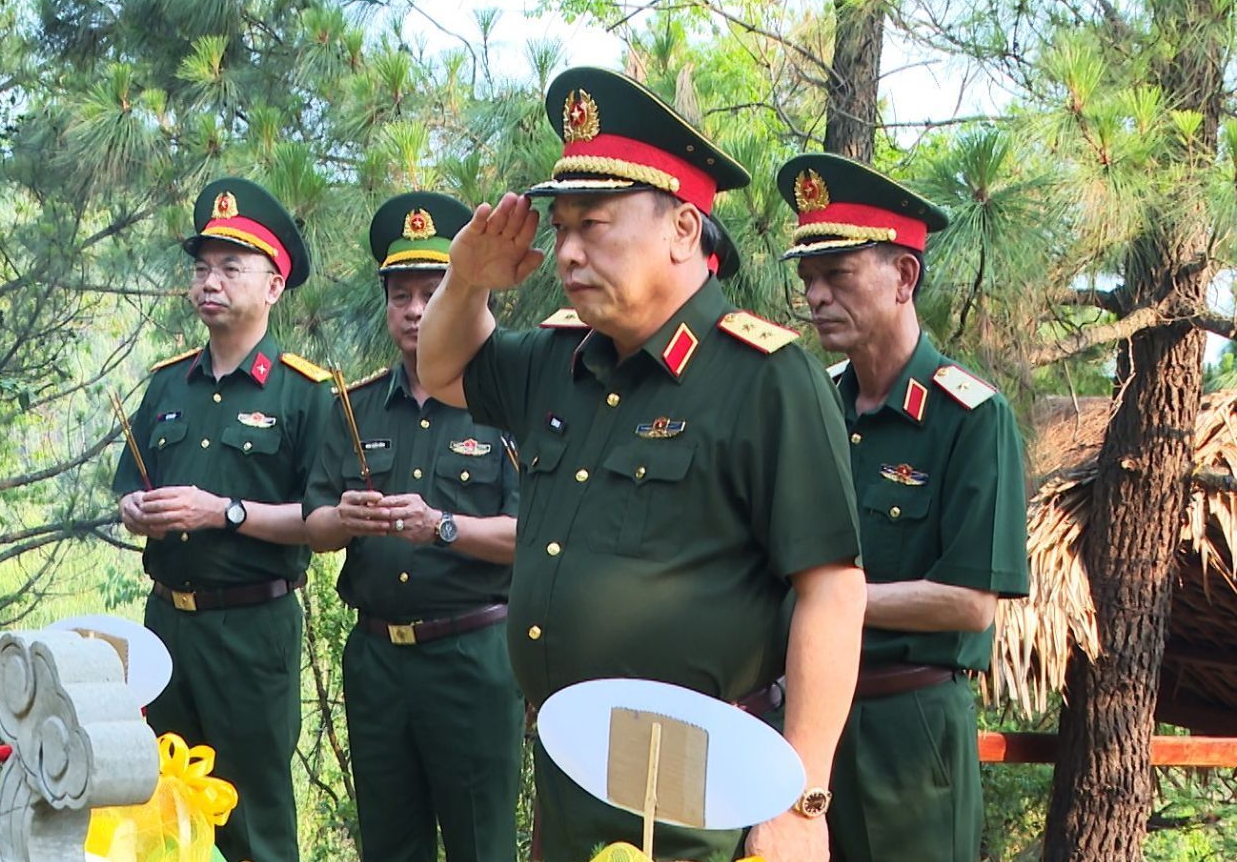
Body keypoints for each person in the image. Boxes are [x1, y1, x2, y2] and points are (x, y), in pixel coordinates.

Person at [416, 66, 868, 862]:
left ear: (683, 229)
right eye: (560, 227)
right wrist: (465, 282)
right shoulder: (559, 358)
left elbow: (831, 590)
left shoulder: (765, 377)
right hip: (568, 764)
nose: (568, 251)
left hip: (697, 774)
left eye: (594, 224)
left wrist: (803, 799)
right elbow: (443, 368)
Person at [776, 152, 1029, 862]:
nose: (817, 296)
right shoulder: (813, 406)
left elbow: (970, 603)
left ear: (904, 277)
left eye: (838, 275)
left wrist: (831, 605)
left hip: (908, 730)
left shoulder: (971, 417)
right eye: (808, 279)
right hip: (799, 722)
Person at [114, 176, 332, 862]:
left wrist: (225, 512)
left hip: (251, 630)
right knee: (162, 813)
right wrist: (136, 510)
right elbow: (128, 490)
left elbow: (325, 521)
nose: (209, 282)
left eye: (231, 268)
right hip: (166, 624)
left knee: (251, 820)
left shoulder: (305, 394)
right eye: (202, 268)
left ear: (274, 286)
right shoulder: (166, 384)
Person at [302, 190, 524, 862]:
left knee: (480, 845)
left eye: (433, 292)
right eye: (400, 295)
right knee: (389, 846)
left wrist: (442, 527)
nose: (415, 309)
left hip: (471, 656)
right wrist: (343, 519)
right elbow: (314, 525)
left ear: (466, 298)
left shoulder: (505, 404)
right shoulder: (356, 405)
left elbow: (533, 535)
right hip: (377, 660)